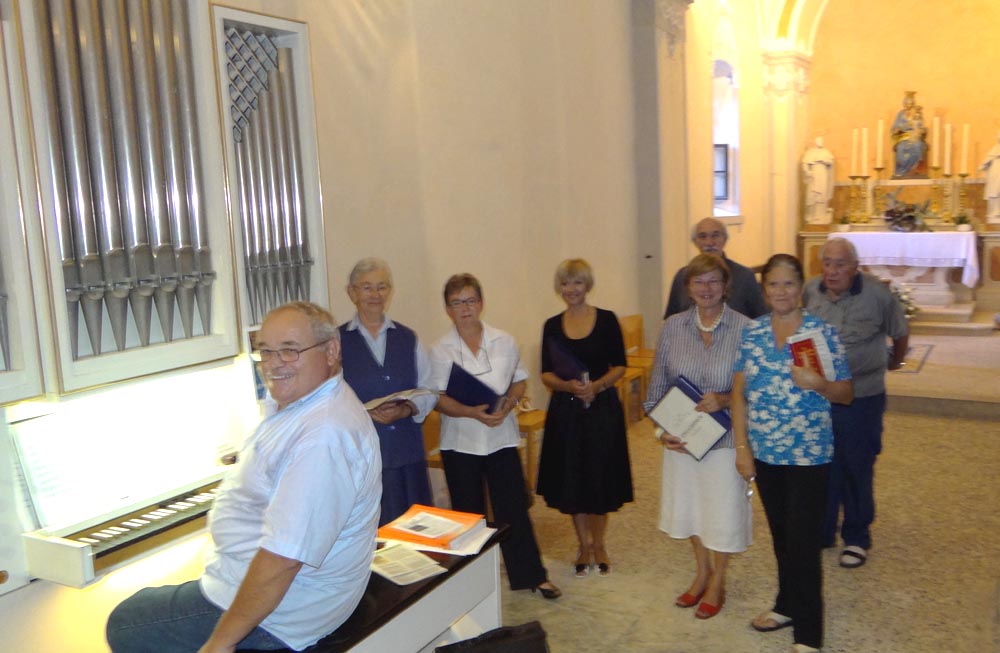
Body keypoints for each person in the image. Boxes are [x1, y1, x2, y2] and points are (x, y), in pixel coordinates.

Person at [106, 302, 382, 653]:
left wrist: (220, 643)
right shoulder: (303, 401)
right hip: (271, 588)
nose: (274, 363)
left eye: (290, 350)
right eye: (265, 351)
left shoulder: (324, 434)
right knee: (146, 603)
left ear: (330, 351)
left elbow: (283, 560)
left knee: (126, 623)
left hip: (284, 614)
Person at [732, 254, 853, 653]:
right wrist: (742, 448)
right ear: (764, 289)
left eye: (788, 284)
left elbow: (846, 393)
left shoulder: (821, 333)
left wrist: (820, 384)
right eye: (773, 284)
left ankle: (809, 635)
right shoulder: (752, 333)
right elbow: (738, 395)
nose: (781, 291)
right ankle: (786, 604)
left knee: (803, 543)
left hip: (809, 454)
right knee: (782, 537)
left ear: (801, 287)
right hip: (766, 452)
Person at [428, 274, 561, 599]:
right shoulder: (439, 349)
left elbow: (519, 381)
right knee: (467, 514)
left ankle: (532, 575)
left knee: (513, 507)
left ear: (481, 303)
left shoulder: (504, 340)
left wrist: (510, 403)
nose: (465, 308)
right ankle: (469, 581)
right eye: (457, 303)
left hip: (501, 436)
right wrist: (470, 411)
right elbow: (437, 399)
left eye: (470, 300)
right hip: (460, 442)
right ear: (447, 309)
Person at [643, 254, 752, 620]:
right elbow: (656, 387)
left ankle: (719, 580)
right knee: (690, 508)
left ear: (726, 286)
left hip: (725, 439)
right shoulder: (673, 327)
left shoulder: (746, 329)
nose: (706, 289)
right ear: (688, 288)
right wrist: (662, 431)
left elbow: (758, 389)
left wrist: (725, 398)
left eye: (713, 281)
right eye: (698, 282)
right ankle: (702, 571)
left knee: (722, 510)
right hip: (683, 441)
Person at [802, 238, 909, 569]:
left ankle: (857, 537)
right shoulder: (810, 291)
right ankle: (823, 530)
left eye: (840, 264)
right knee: (822, 463)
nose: (832, 271)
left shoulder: (878, 295)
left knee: (856, 463)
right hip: (820, 395)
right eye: (827, 264)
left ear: (855, 266)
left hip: (862, 396)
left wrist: (894, 362)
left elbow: (900, 333)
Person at [536, 259, 633, 578]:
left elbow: (620, 365)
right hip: (567, 412)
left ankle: (600, 544)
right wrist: (568, 387)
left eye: (577, 282)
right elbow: (546, 373)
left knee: (599, 478)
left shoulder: (606, 320)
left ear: (587, 285)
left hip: (601, 408)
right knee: (573, 481)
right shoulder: (552, 325)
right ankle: (583, 545)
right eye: (565, 283)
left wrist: (597, 386)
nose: (571, 289)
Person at [339, 257, 435, 524]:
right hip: (363, 459)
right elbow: (330, 399)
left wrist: (407, 409)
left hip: (408, 455)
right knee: (376, 531)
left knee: (416, 528)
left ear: (390, 292)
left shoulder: (408, 337)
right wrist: (365, 413)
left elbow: (429, 389)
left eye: (381, 287)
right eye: (367, 287)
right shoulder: (336, 342)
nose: (375, 295)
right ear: (352, 292)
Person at [663, 217, 767, 320]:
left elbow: (761, 318)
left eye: (715, 235)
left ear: (725, 239)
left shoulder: (744, 276)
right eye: (703, 236)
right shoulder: (682, 276)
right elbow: (671, 319)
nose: (710, 242)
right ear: (695, 242)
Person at [891, 92, 928, 178]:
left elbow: (921, 126)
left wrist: (921, 130)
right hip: (904, 138)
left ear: (913, 104)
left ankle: (914, 170)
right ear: (904, 104)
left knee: (918, 145)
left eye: (911, 103)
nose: (909, 105)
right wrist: (903, 127)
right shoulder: (900, 114)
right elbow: (895, 128)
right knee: (901, 148)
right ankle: (901, 171)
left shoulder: (916, 113)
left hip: (915, 137)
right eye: (907, 103)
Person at [801, 137, 835, 224]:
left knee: (822, 194)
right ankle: (812, 216)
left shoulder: (826, 152)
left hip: (823, 174)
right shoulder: (810, 152)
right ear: (815, 142)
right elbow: (805, 163)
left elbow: (830, 162)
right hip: (814, 174)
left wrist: (824, 160)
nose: (820, 142)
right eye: (818, 141)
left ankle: (821, 216)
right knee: (812, 194)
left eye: (821, 141)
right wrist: (807, 171)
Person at [979, 131, 1000, 220]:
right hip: (995, 172)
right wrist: (983, 165)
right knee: (994, 192)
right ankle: (994, 212)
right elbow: (989, 159)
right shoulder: (996, 148)